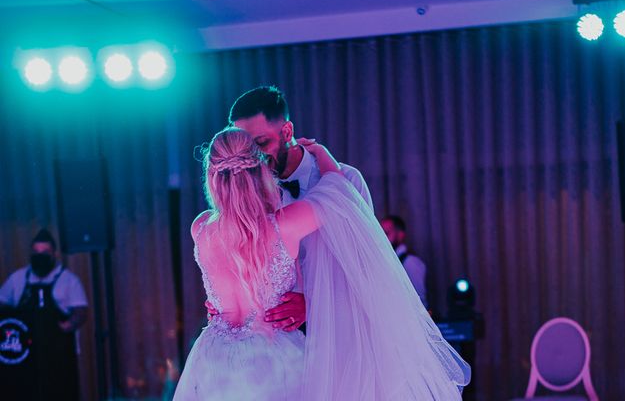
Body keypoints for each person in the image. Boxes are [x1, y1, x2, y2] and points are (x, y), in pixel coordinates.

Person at [174, 127, 470, 400]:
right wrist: (322, 154)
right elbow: (339, 193)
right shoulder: (285, 226)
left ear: (212, 177)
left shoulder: (200, 228)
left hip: (212, 359)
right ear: (258, 169)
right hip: (273, 357)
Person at [206, 86, 373, 331]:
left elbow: (365, 264)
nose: (253, 158)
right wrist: (224, 297)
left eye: (260, 143)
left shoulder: (346, 180)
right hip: (272, 345)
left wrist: (313, 305)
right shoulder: (243, 195)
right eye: (244, 149)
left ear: (287, 131)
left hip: (338, 330)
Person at [0, 228, 88, 400]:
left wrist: (69, 324)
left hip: (59, 355)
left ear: (54, 254)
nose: (40, 256)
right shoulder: (17, 278)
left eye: (45, 252)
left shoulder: (69, 280)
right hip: (23, 357)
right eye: (36, 252)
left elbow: (81, 311)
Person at [381, 214, 429, 308]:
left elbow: (419, 300)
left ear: (400, 235)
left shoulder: (411, 262)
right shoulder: (387, 260)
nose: (382, 238)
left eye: (386, 233)